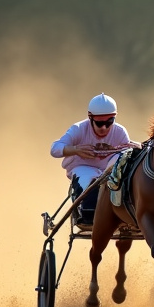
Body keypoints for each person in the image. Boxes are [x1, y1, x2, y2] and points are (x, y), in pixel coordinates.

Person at [49, 93, 138, 223]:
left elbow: (124, 158)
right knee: (88, 181)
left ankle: (126, 211)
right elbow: (54, 148)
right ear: (90, 118)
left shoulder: (120, 131)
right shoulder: (79, 129)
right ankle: (87, 213)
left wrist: (136, 148)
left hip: (108, 171)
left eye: (109, 122)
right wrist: (76, 150)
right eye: (99, 123)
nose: (104, 128)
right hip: (84, 167)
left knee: (125, 159)